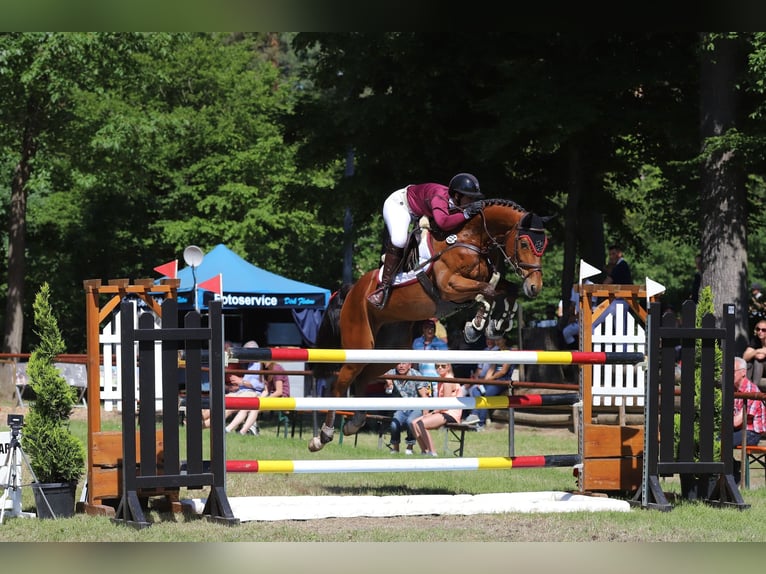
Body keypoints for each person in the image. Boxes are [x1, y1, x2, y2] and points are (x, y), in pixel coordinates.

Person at [367, 173, 485, 308]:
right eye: (469, 198)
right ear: (457, 196)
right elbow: (443, 222)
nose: (471, 202)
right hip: (399, 205)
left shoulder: (455, 201)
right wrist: (465, 214)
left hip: (418, 213)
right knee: (400, 240)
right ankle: (383, 288)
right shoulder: (440, 197)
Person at [463, 335, 515, 430]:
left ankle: (481, 423)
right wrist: (484, 382)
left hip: (503, 381)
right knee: (476, 391)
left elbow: (503, 371)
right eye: (497, 340)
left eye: (499, 339)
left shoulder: (509, 352)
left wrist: (489, 380)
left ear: (505, 340)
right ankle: (474, 415)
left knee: (486, 395)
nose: (497, 342)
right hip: (493, 380)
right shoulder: (497, 352)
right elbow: (492, 368)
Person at [411, 363, 464, 456]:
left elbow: (446, 405)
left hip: (451, 413)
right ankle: (424, 451)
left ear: (448, 367)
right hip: (443, 411)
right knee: (413, 423)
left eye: (443, 366)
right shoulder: (441, 380)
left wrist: (431, 413)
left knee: (421, 424)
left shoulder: (448, 381)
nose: (439, 368)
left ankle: (432, 452)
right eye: (437, 366)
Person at [732, 356, 766, 484]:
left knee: (721, 442)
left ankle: (734, 472)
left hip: (752, 432)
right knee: (714, 440)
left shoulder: (751, 390)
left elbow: (736, 421)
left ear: (743, 373)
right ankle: (734, 468)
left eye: (732, 371)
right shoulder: (734, 390)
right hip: (739, 429)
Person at [383, 362, 429, 454]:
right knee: (394, 424)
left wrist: (425, 412)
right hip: (400, 408)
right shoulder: (391, 373)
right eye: (399, 363)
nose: (401, 366)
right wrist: (388, 383)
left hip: (416, 407)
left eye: (404, 363)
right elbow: (388, 391)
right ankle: (395, 449)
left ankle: (410, 447)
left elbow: (424, 395)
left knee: (410, 422)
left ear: (410, 365)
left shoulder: (416, 375)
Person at [225, 340, 267, 435]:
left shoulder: (259, 364)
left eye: (246, 352)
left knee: (243, 406)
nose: (244, 355)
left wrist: (241, 381)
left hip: (252, 393)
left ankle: (227, 429)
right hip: (243, 391)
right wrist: (240, 383)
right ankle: (208, 423)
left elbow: (260, 385)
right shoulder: (250, 364)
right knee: (225, 401)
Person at [411, 318, 449, 397]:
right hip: (421, 381)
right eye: (427, 328)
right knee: (424, 405)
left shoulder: (441, 343)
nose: (430, 330)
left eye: (432, 328)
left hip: (437, 381)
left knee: (435, 405)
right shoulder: (417, 342)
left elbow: (447, 363)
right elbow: (414, 362)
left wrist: (449, 378)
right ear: (423, 329)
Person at [744, 319, 766, 388]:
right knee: (749, 363)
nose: (760, 332)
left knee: (757, 361)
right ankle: (746, 387)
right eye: (758, 329)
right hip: (759, 370)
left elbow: (760, 357)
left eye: (763, 330)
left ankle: (754, 389)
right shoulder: (755, 340)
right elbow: (745, 357)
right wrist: (757, 351)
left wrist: (754, 353)